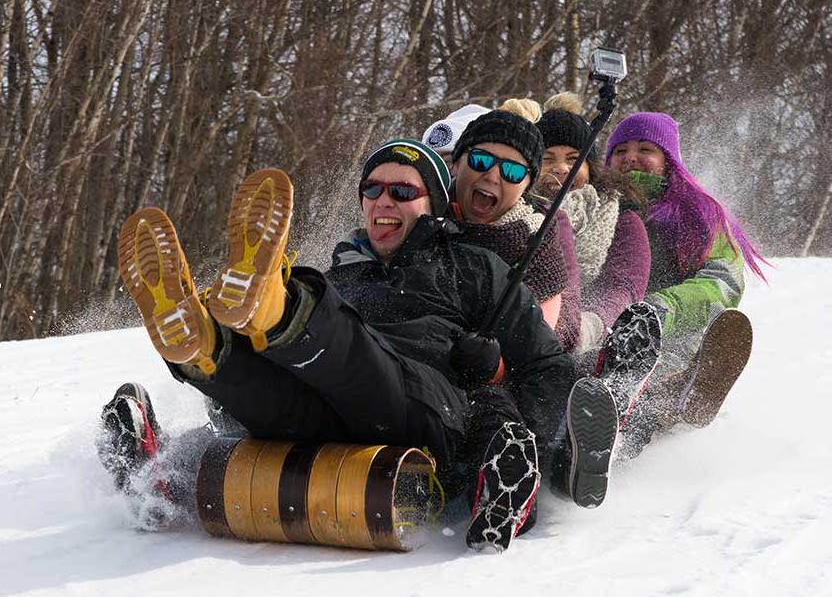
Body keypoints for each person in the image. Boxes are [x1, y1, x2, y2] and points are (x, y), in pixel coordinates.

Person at [98, 139, 616, 553]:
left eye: (401, 191)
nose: (384, 199)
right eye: (373, 189)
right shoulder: (343, 276)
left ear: (434, 206)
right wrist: (228, 392)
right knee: (273, 381)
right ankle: (205, 350)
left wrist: (519, 424)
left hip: (425, 410)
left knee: (351, 352)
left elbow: (547, 367)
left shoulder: (474, 267)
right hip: (325, 419)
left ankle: (277, 315)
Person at [604, 112, 766, 454]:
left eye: (645, 149)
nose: (631, 157)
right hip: (602, 320)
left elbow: (722, 281)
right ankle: (664, 400)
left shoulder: (700, 213)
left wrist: (662, 307)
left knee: (643, 371)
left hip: (669, 330)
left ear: (668, 160)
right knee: (598, 366)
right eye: (621, 151)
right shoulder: (597, 206)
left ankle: (671, 396)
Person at [424, 105, 576, 344]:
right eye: (481, 160)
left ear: (527, 186)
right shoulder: (420, 212)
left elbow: (538, 344)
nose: (492, 176)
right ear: (456, 163)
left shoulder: (537, 244)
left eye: (512, 171)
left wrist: (496, 366)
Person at [535, 93, 651, 356]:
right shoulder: (517, 212)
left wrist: (590, 324)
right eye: (548, 159)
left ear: (590, 166)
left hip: (596, 335)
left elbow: (624, 286)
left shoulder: (622, 217)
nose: (561, 168)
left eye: (573, 159)